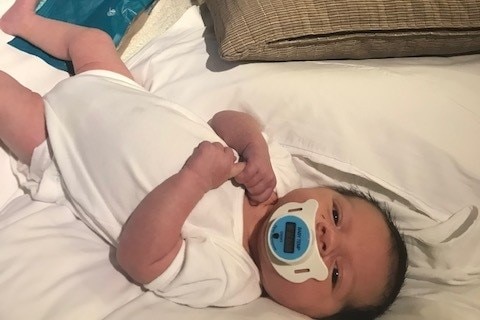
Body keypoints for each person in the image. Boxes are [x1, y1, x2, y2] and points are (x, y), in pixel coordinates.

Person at [0, 1, 407, 319]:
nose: (325, 238)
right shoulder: (279, 177)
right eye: (336, 215)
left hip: (63, 150)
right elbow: (225, 121)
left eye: (336, 273)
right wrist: (253, 146)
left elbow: (140, 257)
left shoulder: (234, 277)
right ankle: (23, 22)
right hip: (119, 92)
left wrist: (195, 179)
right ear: (323, 192)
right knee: (91, 43)